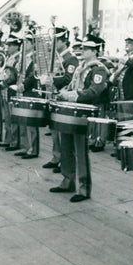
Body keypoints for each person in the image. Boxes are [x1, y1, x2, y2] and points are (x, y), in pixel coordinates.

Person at [51, 34, 109, 202]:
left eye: (85, 49)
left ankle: (83, 188)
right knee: (66, 146)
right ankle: (67, 180)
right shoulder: (80, 67)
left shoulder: (98, 69)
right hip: (71, 112)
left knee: (80, 150)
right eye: (81, 48)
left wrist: (70, 96)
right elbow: (71, 85)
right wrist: (63, 92)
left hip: (84, 113)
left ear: (94, 51)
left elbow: (93, 92)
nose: (81, 51)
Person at [42, 26, 76, 171]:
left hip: (62, 96)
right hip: (53, 96)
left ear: (63, 41)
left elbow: (68, 78)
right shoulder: (55, 57)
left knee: (62, 132)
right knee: (54, 129)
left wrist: (52, 81)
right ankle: (56, 157)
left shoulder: (71, 59)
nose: (53, 44)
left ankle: (64, 161)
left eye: (56, 41)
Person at [14, 32, 40, 159]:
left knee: (31, 122)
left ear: (33, 44)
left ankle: (33, 149)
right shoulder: (22, 57)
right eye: (24, 42)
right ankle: (24, 146)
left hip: (31, 91)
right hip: (22, 90)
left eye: (27, 42)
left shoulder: (36, 57)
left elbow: (33, 75)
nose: (24, 44)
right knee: (22, 119)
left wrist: (23, 85)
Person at [0, 33, 22, 151]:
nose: (8, 47)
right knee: (7, 116)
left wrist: (5, 81)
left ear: (17, 46)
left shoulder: (18, 58)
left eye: (11, 45)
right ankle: (8, 139)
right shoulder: (9, 57)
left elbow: (14, 76)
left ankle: (14, 141)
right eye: (8, 45)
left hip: (12, 89)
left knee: (12, 117)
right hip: (5, 89)